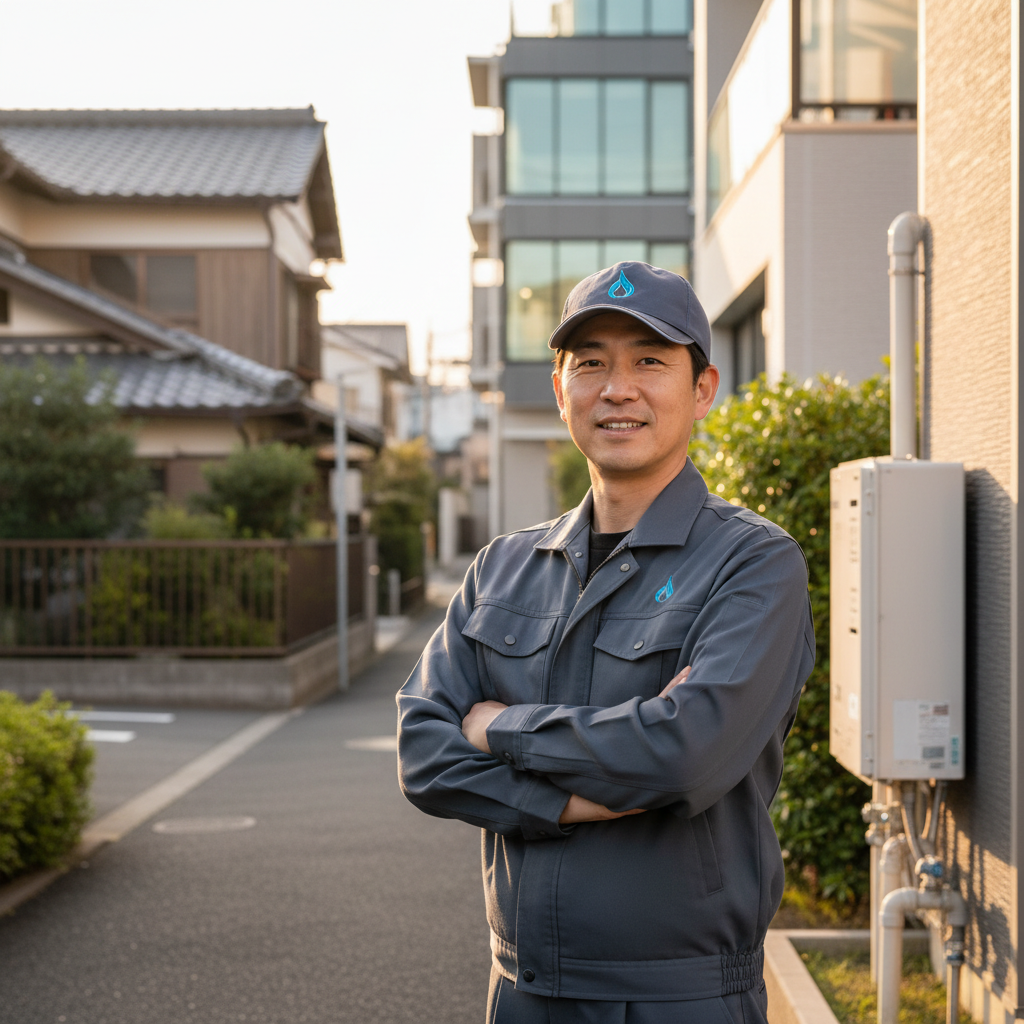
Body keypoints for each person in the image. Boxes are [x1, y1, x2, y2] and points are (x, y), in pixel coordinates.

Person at [397, 262, 814, 1024]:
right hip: (521, 991)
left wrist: (500, 727)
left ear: (702, 389)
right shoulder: (503, 567)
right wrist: (583, 801)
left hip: (682, 999)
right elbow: (424, 755)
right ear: (561, 390)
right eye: (590, 363)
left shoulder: (754, 563)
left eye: (649, 360)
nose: (617, 388)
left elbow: (689, 752)